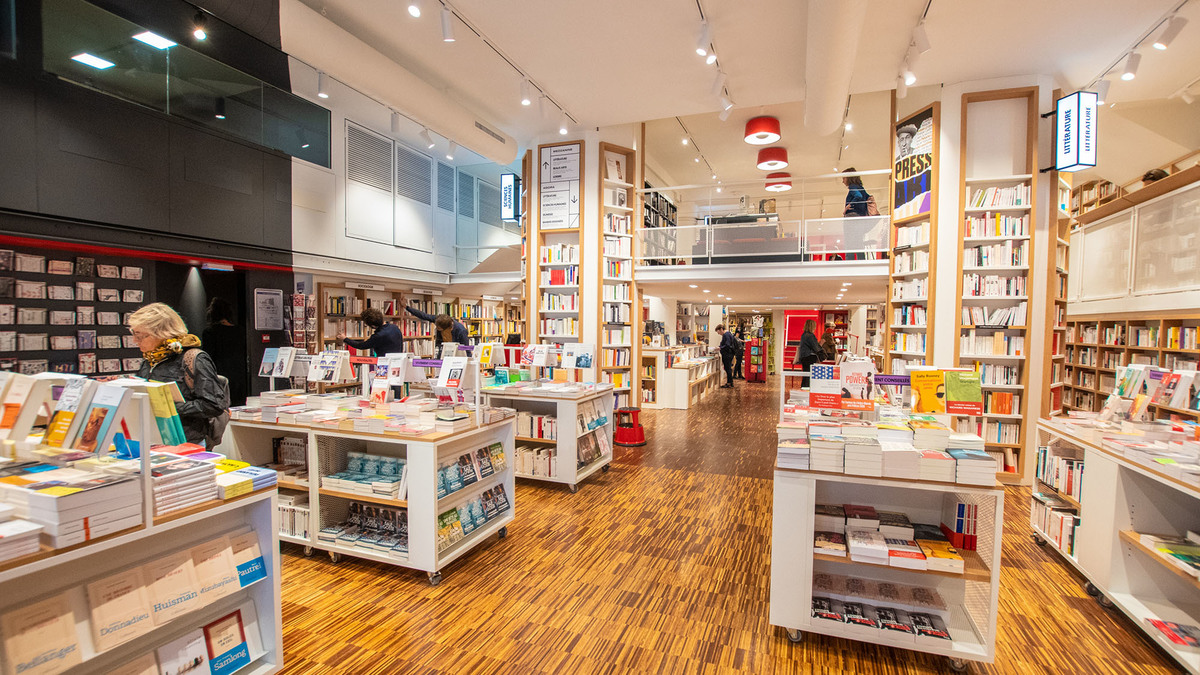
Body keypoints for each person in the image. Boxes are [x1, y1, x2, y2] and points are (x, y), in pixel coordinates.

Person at [130, 303, 229, 447]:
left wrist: (169, 407)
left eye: (140, 336)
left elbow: (213, 405)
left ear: (162, 333)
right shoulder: (149, 360)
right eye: (134, 334)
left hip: (187, 442)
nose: (135, 340)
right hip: (153, 440)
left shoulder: (194, 358)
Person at [200, 297, 247, 407]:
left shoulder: (210, 332)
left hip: (220, 374)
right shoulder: (240, 330)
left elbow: (208, 356)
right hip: (239, 374)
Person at [337, 307, 405, 356]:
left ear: (373, 326)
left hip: (385, 364)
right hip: (399, 362)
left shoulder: (378, 336)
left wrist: (345, 339)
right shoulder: (395, 327)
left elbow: (361, 345)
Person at [404, 302, 469, 351]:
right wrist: (406, 307)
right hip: (441, 349)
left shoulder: (461, 331)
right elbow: (423, 315)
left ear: (446, 328)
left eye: (439, 328)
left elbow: (466, 349)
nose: (437, 328)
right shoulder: (439, 320)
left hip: (456, 354)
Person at [842, 168, 876, 260]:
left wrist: (848, 206)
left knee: (849, 242)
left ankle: (849, 262)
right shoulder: (861, 188)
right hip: (859, 218)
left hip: (851, 217)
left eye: (844, 178)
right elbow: (864, 197)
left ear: (848, 177)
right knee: (858, 241)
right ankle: (861, 260)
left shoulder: (852, 187)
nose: (843, 181)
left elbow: (858, 196)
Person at [792, 319, 822, 388]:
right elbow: (816, 348)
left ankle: (804, 388)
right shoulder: (811, 336)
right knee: (809, 376)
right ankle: (807, 389)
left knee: (806, 375)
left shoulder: (804, 335)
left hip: (804, 357)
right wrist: (821, 343)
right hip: (809, 358)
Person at [716, 324, 737, 388]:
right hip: (729, 354)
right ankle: (730, 382)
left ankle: (729, 383)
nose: (719, 334)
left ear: (721, 329)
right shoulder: (729, 334)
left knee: (728, 368)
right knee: (728, 368)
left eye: (719, 332)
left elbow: (727, 345)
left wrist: (720, 348)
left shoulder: (726, 335)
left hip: (727, 354)